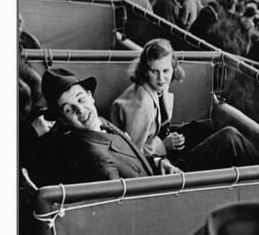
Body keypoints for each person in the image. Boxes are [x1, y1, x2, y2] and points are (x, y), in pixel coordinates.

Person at [110, 38, 259, 172]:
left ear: (172, 67)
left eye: (166, 71)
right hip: (164, 169)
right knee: (228, 137)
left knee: (200, 128)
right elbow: (131, 156)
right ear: (145, 70)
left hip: (161, 149)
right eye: (155, 71)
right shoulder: (142, 103)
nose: (161, 78)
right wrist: (163, 145)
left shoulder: (155, 85)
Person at [40, 68, 181, 184]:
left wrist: (158, 162)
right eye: (68, 110)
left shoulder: (100, 122)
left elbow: (132, 159)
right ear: (63, 119)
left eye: (81, 99)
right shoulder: (94, 157)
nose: (80, 110)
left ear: (90, 96)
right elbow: (123, 204)